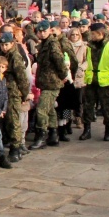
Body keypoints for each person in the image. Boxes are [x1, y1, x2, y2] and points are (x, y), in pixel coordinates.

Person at [80, 23, 109, 142]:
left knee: (107, 108)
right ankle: (87, 130)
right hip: (91, 81)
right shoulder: (89, 46)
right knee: (88, 106)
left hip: (106, 83)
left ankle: (108, 131)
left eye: (93, 34)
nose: (91, 36)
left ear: (100, 34)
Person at [30, 20, 68, 150]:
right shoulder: (45, 43)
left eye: (44, 31)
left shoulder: (52, 44)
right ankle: (53, 134)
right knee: (50, 109)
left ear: (49, 30)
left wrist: (63, 76)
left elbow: (60, 62)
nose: (41, 33)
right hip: (46, 81)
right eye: (39, 31)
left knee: (42, 109)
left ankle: (42, 136)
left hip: (52, 82)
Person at [0, 32, 31, 162]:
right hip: (7, 90)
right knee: (10, 121)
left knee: (14, 121)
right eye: (2, 45)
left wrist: (24, 93)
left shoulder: (15, 56)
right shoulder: (6, 55)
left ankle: (16, 148)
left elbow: (22, 77)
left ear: (12, 44)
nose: (4, 47)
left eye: (6, 44)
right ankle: (14, 145)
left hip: (14, 92)